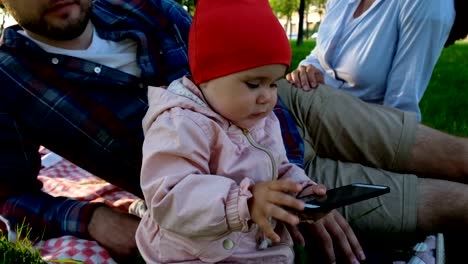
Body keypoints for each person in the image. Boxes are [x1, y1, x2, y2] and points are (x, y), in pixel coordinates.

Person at [0, 0, 468, 263]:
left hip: (287, 106)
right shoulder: (10, 79)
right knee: (447, 205)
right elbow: (9, 192)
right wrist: (95, 220)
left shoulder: (141, 7)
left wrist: (295, 168)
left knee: (453, 156)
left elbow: (243, 60)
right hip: (242, 179)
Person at [135, 0, 363, 263]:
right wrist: (246, 202)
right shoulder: (180, 123)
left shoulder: (260, 118)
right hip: (192, 255)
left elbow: (278, 165)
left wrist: (299, 190)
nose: (267, 97)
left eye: (274, 84)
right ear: (206, 77)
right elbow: (170, 197)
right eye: (254, 84)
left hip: (255, 247)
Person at [286, 0, 455, 121]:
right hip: (305, 105)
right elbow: (318, 55)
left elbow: (400, 113)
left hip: (350, 130)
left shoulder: (425, 4)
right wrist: (306, 70)